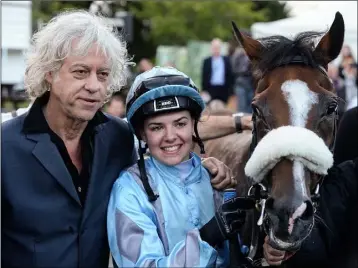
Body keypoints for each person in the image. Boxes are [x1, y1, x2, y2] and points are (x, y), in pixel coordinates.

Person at [1, 10, 234, 268]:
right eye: (80, 72)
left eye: (102, 75)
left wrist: (201, 168)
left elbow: (163, 155)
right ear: (49, 73)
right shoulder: (5, 146)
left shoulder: (118, 138)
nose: (94, 86)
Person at [107, 66, 250, 267]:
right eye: (157, 127)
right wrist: (207, 238)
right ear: (142, 134)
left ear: (194, 124)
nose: (170, 136)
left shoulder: (216, 179)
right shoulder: (129, 190)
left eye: (180, 124)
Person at [201, 38, 234, 104]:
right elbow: (204, 76)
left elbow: (230, 75)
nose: (216, 49)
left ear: (220, 48)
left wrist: (231, 91)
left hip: (223, 89)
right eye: (214, 47)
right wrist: (204, 90)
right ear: (211, 48)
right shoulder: (207, 61)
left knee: (222, 109)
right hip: (210, 89)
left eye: (217, 47)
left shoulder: (227, 60)